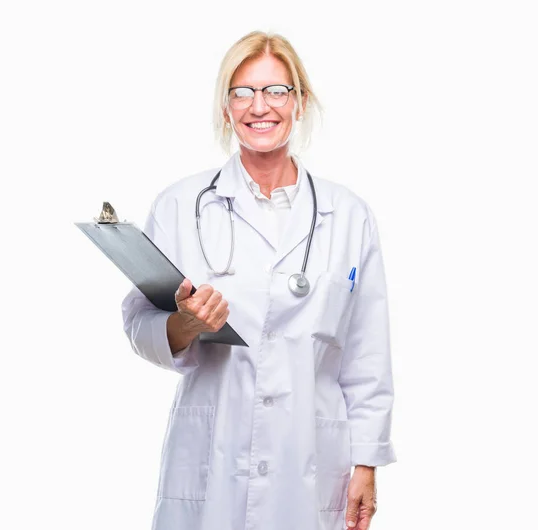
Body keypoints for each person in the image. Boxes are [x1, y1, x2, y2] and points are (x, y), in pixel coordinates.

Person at [121, 30, 396, 530]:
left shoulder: (349, 215)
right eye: (242, 92)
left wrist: (367, 462)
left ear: (300, 102)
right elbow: (139, 324)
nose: (259, 106)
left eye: (276, 90)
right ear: (226, 108)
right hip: (212, 459)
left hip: (312, 462)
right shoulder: (181, 205)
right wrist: (185, 325)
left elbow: (366, 354)